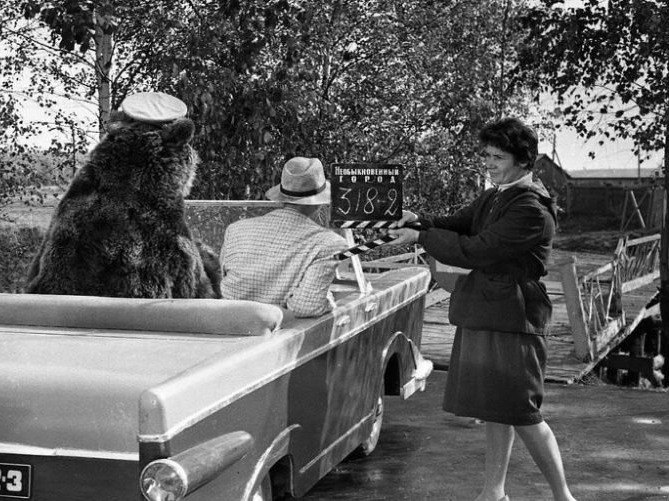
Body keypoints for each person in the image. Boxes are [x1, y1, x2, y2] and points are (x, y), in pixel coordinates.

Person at [387, 118, 576, 501]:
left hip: (514, 317)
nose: (489, 163)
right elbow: (460, 223)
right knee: (497, 409)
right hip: (489, 310)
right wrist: (418, 220)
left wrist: (421, 237)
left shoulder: (530, 208)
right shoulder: (498, 196)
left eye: (497, 157)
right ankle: (494, 492)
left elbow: (477, 249)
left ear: (523, 161)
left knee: (523, 412)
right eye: (486, 155)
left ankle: (564, 497)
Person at [219, 157, 348, 317]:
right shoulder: (329, 243)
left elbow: (223, 283)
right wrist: (329, 301)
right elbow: (306, 307)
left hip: (223, 322)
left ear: (282, 197)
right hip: (274, 329)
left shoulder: (235, 229)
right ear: (319, 203)